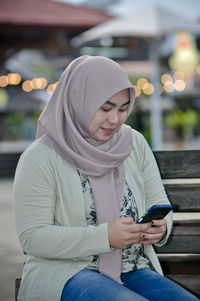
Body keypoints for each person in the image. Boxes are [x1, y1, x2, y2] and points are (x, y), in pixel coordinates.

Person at [13, 55, 198, 301]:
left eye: (123, 109)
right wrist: (105, 237)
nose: (115, 120)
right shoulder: (41, 157)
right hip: (67, 271)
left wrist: (160, 228)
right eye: (105, 108)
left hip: (131, 268)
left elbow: (158, 200)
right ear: (79, 101)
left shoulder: (133, 143)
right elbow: (33, 238)